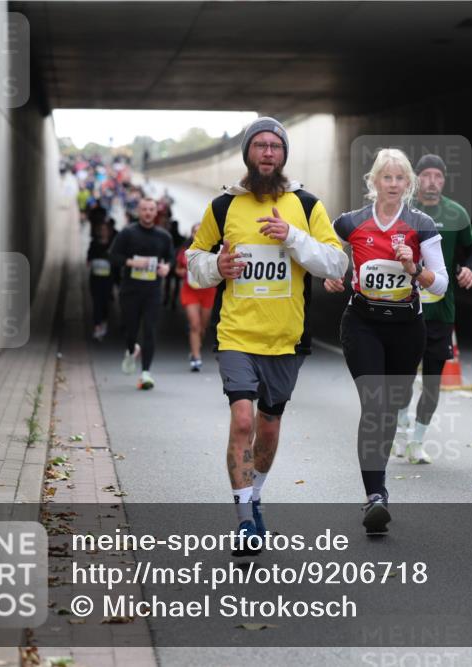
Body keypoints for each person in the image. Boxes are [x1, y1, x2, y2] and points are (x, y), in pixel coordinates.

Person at [186, 117, 348, 555]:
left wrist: (293, 237)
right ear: (247, 154)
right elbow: (194, 259)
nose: (268, 153)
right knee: (242, 420)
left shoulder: (307, 205)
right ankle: (244, 521)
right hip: (237, 333)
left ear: (284, 155)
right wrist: (214, 268)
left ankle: (255, 495)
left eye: (275, 146)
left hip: (286, 339)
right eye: (259, 145)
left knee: (269, 430)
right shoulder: (224, 206)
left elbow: (336, 264)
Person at [324, 148, 448, 534]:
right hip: (362, 323)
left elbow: (441, 285)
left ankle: (377, 490)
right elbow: (325, 255)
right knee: (374, 404)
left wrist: (415, 268)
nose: (393, 185)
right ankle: (375, 495)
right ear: (373, 182)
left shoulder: (421, 224)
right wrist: (331, 275)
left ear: (408, 184)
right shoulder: (350, 223)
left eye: (400, 179)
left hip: (406, 328)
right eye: (386, 178)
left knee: (391, 407)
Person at [393, 154, 472, 464]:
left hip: (440, 312)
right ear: (417, 180)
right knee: (402, 378)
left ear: (444, 181)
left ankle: (417, 441)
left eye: (438, 176)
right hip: (405, 308)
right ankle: (401, 428)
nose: (432, 181)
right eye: (426, 175)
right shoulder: (402, 212)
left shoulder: (456, 213)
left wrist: (469, 269)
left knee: (432, 380)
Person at [108, 197, 174, 390]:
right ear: (138, 211)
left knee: (150, 330)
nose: (147, 213)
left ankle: (146, 373)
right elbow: (113, 256)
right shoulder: (127, 233)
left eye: (151, 209)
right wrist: (131, 262)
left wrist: (166, 268)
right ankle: (131, 349)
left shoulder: (164, 236)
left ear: (156, 213)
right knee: (130, 329)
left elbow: (170, 257)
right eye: (144, 209)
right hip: (130, 290)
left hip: (153, 291)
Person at [176, 223, 218, 371]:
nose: (197, 234)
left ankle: (196, 348)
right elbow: (178, 269)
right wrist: (181, 272)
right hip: (190, 291)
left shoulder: (213, 250)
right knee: (195, 324)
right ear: (192, 234)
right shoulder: (185, 251)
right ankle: (196, 357)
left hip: (207, 291)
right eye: (195, 231)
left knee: (203, 327)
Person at [87, 219, 118, 341]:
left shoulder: (113, 245)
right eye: (101, 230)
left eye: (105, 230)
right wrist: (92, 261)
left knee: (105, 302)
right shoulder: (94, 244)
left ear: (109, 232)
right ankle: (97, 326)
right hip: (95, 279)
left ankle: (104, 322)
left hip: (107, 280)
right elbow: (88, 259)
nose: (103, 232)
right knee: (96, 302)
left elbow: (116, 260)